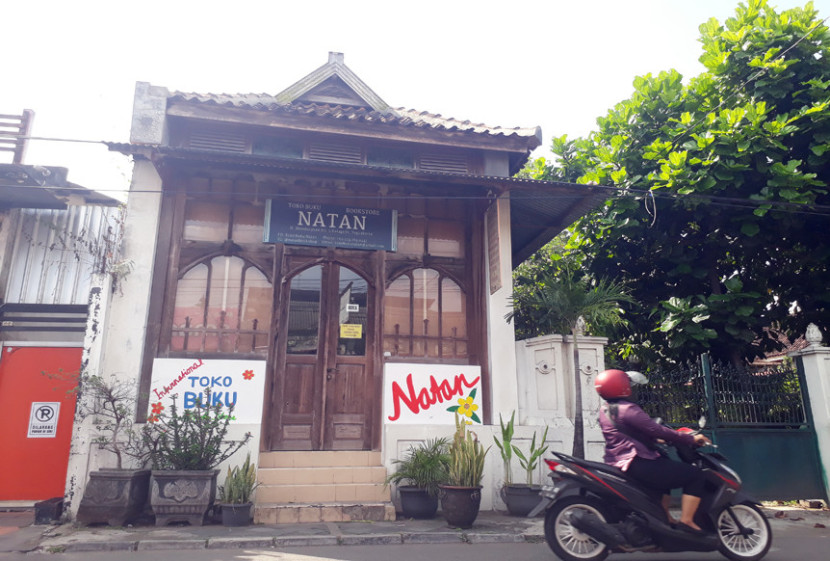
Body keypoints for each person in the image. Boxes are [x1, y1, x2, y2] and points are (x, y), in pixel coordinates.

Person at [595, 369, 712, 534]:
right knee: (695, 475)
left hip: (621, 461)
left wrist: (654, 440)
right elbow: (656, 429)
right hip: (638, 461)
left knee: (667, 475)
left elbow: (626, 434)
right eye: (630, 386)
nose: (633, 389)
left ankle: (666, 519)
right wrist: (690, 439)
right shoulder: (628, 409)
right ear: (622, 387)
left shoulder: (605, 410)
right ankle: (686, 520)